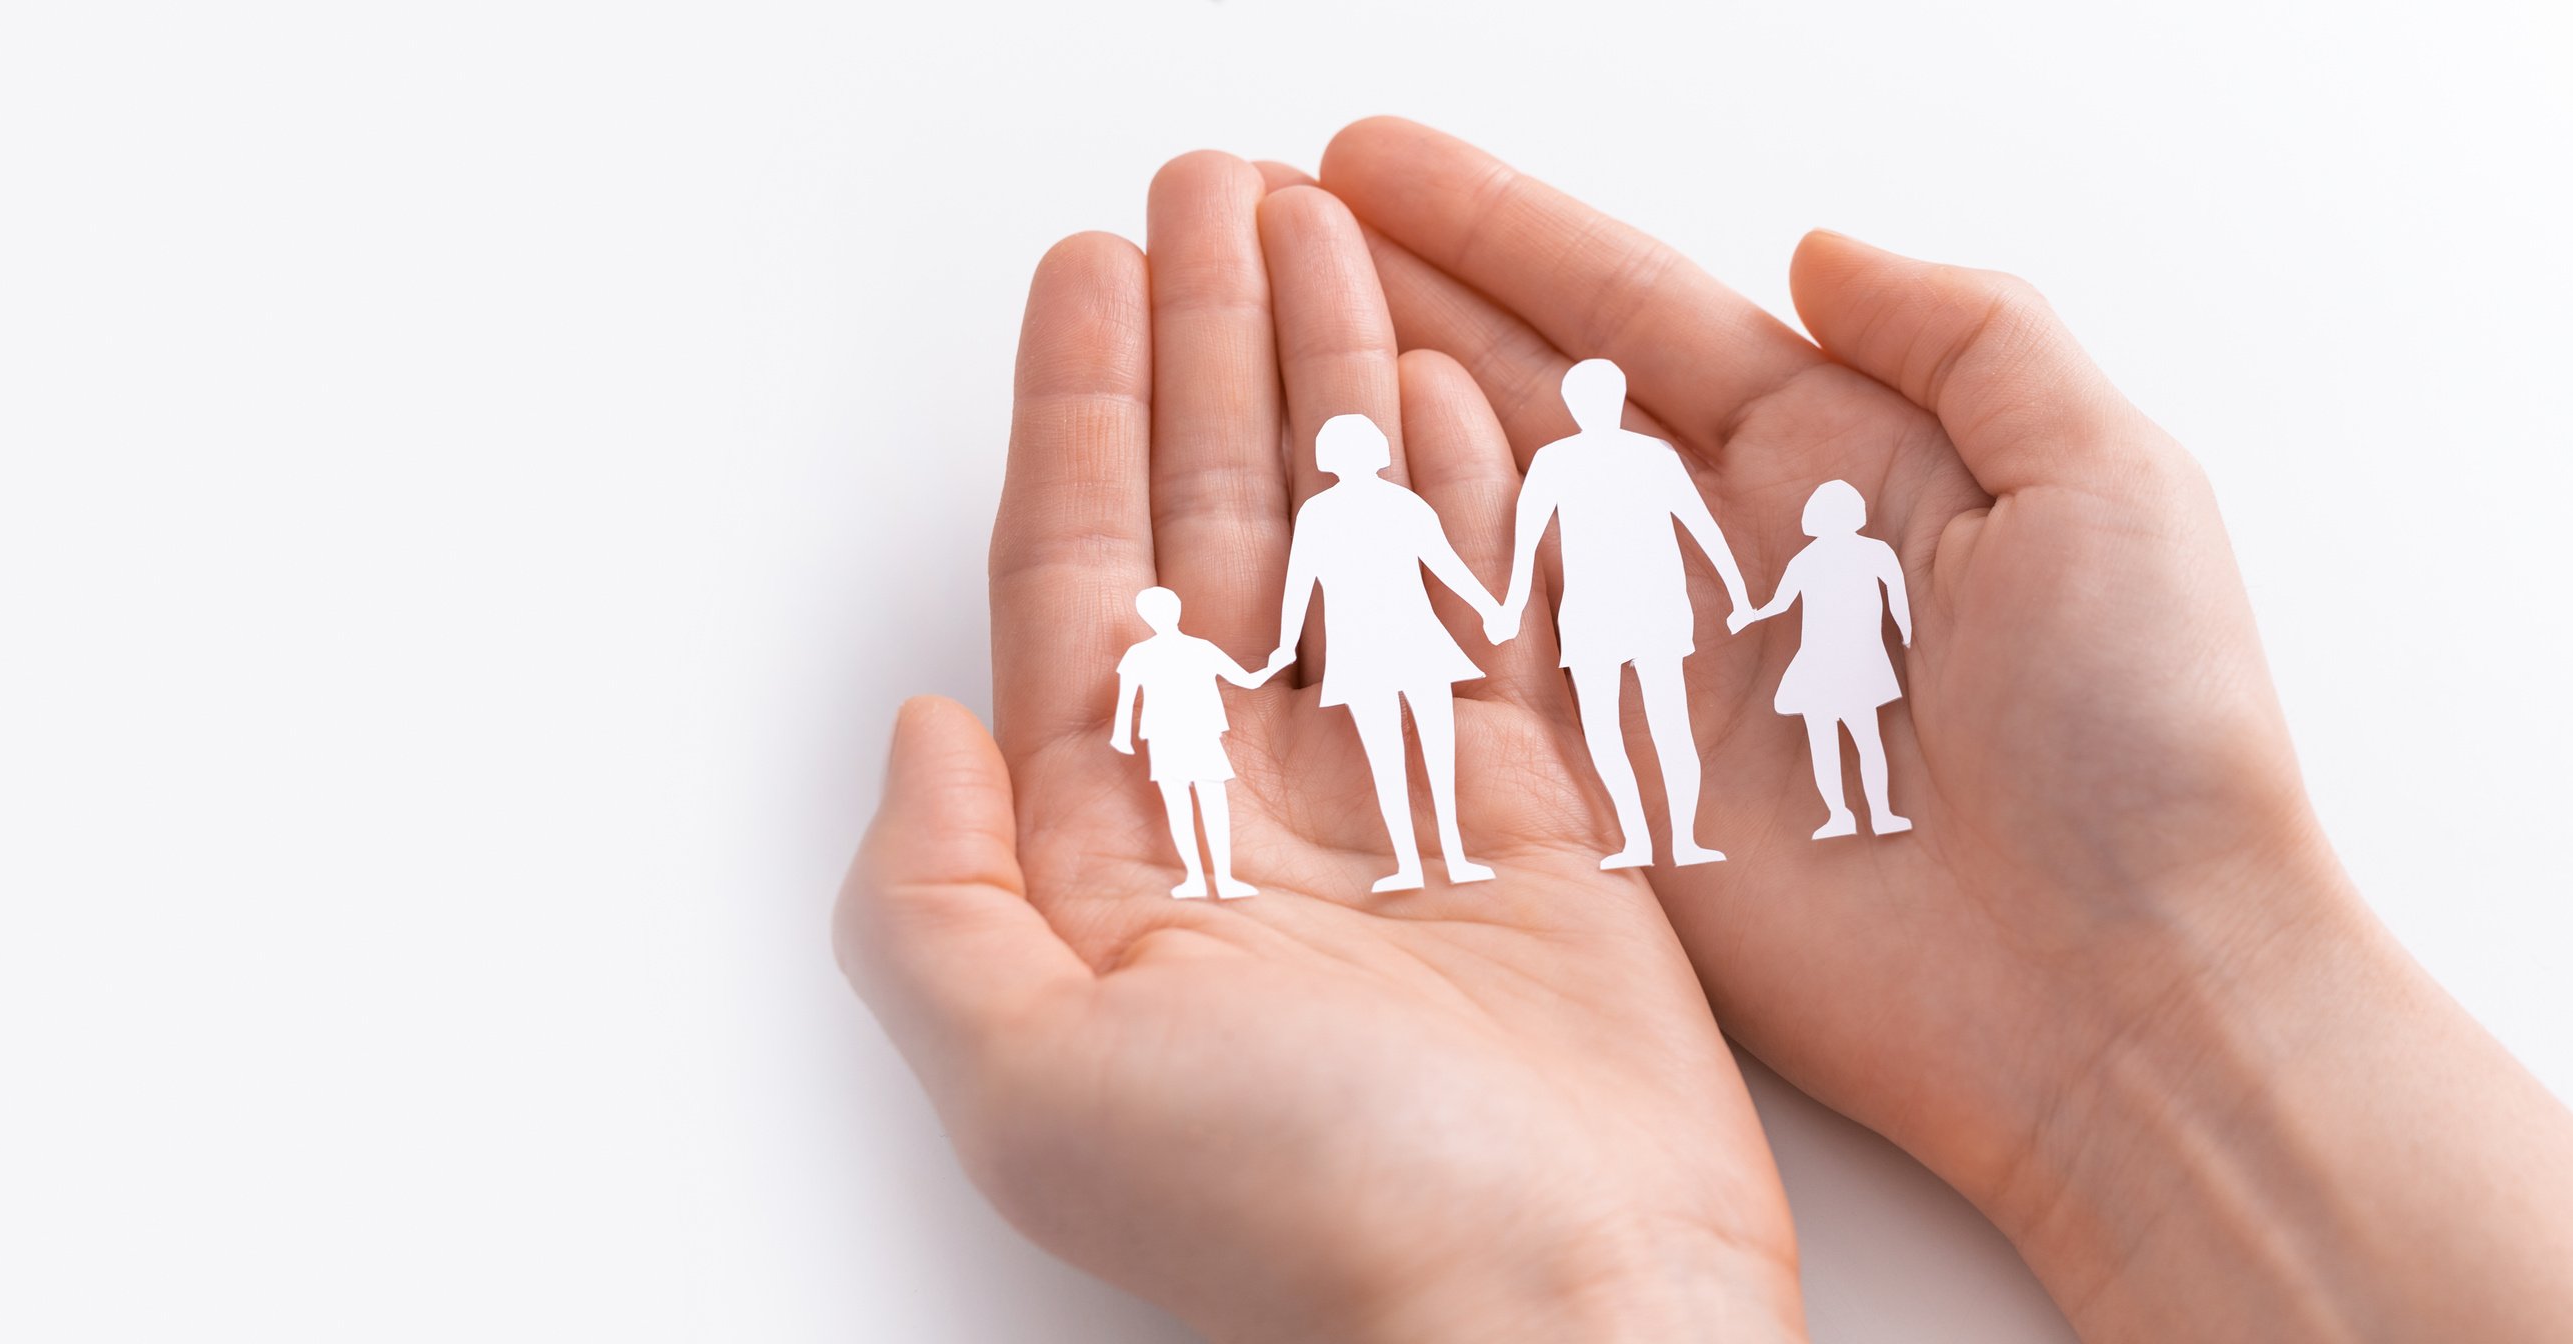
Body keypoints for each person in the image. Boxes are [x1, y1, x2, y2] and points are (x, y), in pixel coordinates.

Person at [837, 125, 2573, 1342]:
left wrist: (1548, 1303)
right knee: (1489, 749)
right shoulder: (1465, 506)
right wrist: (1546, 1292)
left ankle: (1540, 826)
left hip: (1648, 633)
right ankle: (1510, 826)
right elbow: (1463, 557)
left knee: (1618, 756)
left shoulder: (1629, 477)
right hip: (1535, 643)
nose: (1362, 467)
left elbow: (1538, 544)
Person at [1488, 357, 1755, 868]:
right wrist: (1510, 603)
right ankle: (1647, 840)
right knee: (1626, 726)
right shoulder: (1575, 459)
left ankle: (1678, 839)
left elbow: (1698, 523)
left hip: (1639, 605)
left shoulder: (1634, 456)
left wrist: (1739, 592)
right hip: (1607, 608)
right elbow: (1525, 536)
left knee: (1647, 724)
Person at [1267, 413, 1504, 892]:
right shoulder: (1384, 505)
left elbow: (1444, 563)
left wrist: (1287, 644)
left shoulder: (1329, 511)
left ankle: (1430, 862)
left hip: (1386, 646)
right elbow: (1446, 566)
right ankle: (1436, 861)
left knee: (1401, 757)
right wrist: (1490, 608)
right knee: (1425, 752)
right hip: (1394, 645)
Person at [1731, 479, 1914, 839]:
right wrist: (1749, 615)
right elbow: (1781, 604)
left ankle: (1871, 814)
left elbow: (1897, 595)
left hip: (1846, 661)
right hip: (1826, 662)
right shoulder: (1837, 555)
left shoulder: (1836, 555)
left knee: (1844, 740)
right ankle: (1851, 815)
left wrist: (1908, 633)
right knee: (1851, 739)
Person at [1110, 585, 1271, 898]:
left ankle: (1214, 879)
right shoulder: (1192, 649)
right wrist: (1275, 663)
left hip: (1187, 735)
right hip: (1180, 735)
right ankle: (1206, 879)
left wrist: (1121, 735)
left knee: (1191, 807)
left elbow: (1127, 700)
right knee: (1197, 807)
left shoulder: (1152, 652)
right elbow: (1248, 680)